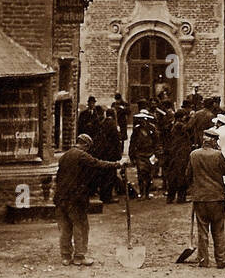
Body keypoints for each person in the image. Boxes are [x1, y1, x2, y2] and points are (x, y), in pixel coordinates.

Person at [53, 133, 124, 265]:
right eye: (89, 148)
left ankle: (66, 256)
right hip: (75, 198)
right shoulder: (82, 155)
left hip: (61, 197)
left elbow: (58, 177)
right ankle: (79, 256)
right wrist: (117, 164)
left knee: (65, 228)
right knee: (80, 225)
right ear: (85, 145)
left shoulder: (64, 156)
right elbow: (98, 164)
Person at [187, 128, 225, 269]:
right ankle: (221, 260)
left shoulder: (193, 154)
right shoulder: (218, 155)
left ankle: (203, 260)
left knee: (202, 229)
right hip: (216, 196)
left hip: (200, 197)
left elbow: (188, 174)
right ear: (213, 142)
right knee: (218, 230)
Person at [128, 110, 159, 198]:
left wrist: (156, 153)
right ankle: (142, 192)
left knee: (149, 174)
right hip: (140, 154)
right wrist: (131, 155)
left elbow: (156, 141)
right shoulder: (137, 130)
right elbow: (132, 143)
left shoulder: (152, 129)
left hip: (150, 153)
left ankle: (147, 192)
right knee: (141, 173)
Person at [94, 107, 122, 202]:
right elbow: (117, 142)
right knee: (110, 176)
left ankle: (103, 196)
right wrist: (119, 156)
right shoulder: (113, 125)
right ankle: (107, 197)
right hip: (111, 155)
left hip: (103, 154)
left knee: (103, 175)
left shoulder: (103, 123)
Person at [165, 109, 193, 203]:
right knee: (181, 175)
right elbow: (189, 128)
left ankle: (170, 197)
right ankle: (181, 198)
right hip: (181, 153)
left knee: (173, 176)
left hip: (175, 153)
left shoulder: (173, 125)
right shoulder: (179, 125)